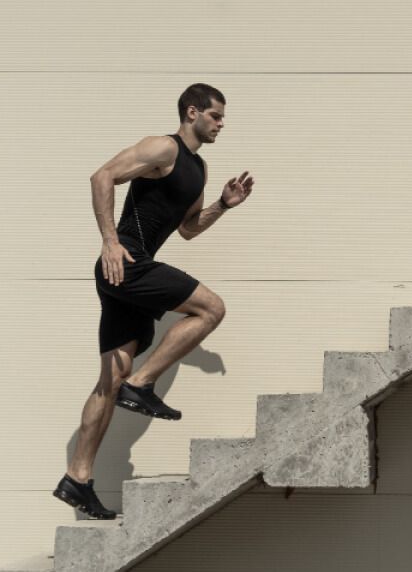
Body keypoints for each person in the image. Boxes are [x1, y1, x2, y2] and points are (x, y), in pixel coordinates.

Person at [52, 83, 255, 519]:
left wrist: (223, 203)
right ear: (192, 112)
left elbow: (188, 228)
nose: (222, 124)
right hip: (126, 262)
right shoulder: (163, 148)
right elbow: (101, 176)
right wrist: (109, 240)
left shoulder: (198, 169)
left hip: (127, 272)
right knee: (212, 308)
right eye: (216, 116)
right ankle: (142, 385)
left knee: (111, 376)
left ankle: (77, 477)